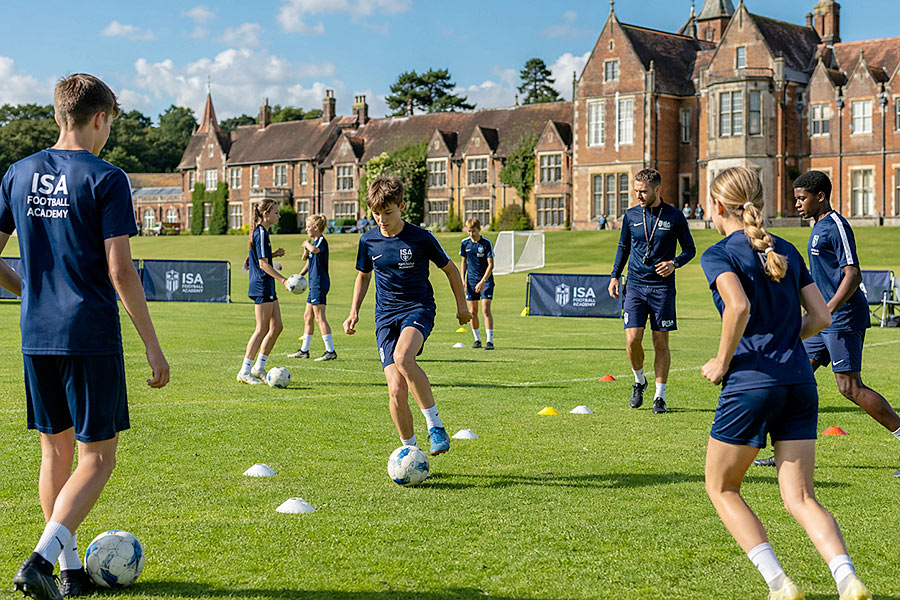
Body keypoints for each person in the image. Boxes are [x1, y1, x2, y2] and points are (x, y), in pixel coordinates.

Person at [0, 73, 169, 600]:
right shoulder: (108, 177)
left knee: (56, 453)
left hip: (36, 334)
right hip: (89, 332)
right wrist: (151, 342)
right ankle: (41, 560)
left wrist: (26, 290)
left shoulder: (17, 173)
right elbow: (121, 270)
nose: (109, 136)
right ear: (100, 118)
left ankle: (70, 572)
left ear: (57, 115)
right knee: (97, 458)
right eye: (110, 125)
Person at [700, 167, 871, 600]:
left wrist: (722, 360)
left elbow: (736, 306)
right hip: (798, 382)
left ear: (717, 206)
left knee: (721, 487)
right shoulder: (789, 250)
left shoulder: (719, 253)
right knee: (801, 497)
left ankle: (779, 583)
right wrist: (783, 340)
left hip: (751, 383)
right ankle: (846, 578)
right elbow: (822, 317)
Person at [754, 171, 900, 476]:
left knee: (850, 387)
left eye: (802, 198)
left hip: (842, 317)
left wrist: (828, 310)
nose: (797, 204)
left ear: (820, 196)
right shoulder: (817, 227)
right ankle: (784, 454)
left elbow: (853, 274)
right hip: (824, 320)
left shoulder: (836, 226)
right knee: (790, 376)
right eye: (795, 198)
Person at [344, 176, 471, 455]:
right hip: (385, 319)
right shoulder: (368, 241)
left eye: (387, 212)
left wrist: (462, 307)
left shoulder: (421, 238)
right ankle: (411, 452)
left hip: (418, 308)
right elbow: (363, 276)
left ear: (402, 206)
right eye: (377, 213)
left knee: (403, 357)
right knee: (396, 389)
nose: (382, 219)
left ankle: (435, 426)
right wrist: (354, 312)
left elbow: (451, 270)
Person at [608, 168, 695, 413]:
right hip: (635, 285)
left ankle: (659, 396)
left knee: (660, 342)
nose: (638, 196)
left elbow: (690, 249)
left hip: (662, 288)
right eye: (636, 191)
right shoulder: (631, 215)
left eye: (643, 191)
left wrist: (674, 263)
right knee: (632, 339)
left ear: (657, 190)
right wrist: (615, 275)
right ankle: (639, 381)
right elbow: (623, 246)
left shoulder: (675, 217)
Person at [237, 198, 290, 384]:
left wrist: (273, 254)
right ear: (265, 214)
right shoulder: (260, 233)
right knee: (261, 328)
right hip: (261, 285)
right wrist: (283, 279)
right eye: (276, 212)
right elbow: (261, 264)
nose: (279, 215)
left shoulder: (263, 233)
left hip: (267, 285)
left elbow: (260, 257)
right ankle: (244, 371)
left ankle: (259, 367)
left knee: (277, 327)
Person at [288, 214, 336, 361]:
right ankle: (304, 350)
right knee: (307, 316)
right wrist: (299, 275)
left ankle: (330, 351)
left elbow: (315, 251)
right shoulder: (315, 242)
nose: (306, 229)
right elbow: (308, 260)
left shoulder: (321, 241)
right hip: (313, 284)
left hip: (319, 284)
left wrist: (306, 245)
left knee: (319, 317)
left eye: (308, 227)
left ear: (316, 228)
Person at [459, 218, 495, 349]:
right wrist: (463, 280)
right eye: (468, 231)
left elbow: (491, 265)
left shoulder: (486, 244)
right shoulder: (464, 243)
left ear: (479, 229)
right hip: (471, 281)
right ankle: (477, 340)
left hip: (486, 280)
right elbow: (464, 262)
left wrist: (483, 281)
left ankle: (489, 341)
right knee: (473, 312)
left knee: (485, 309)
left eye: (473, 231)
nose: (471, 234)